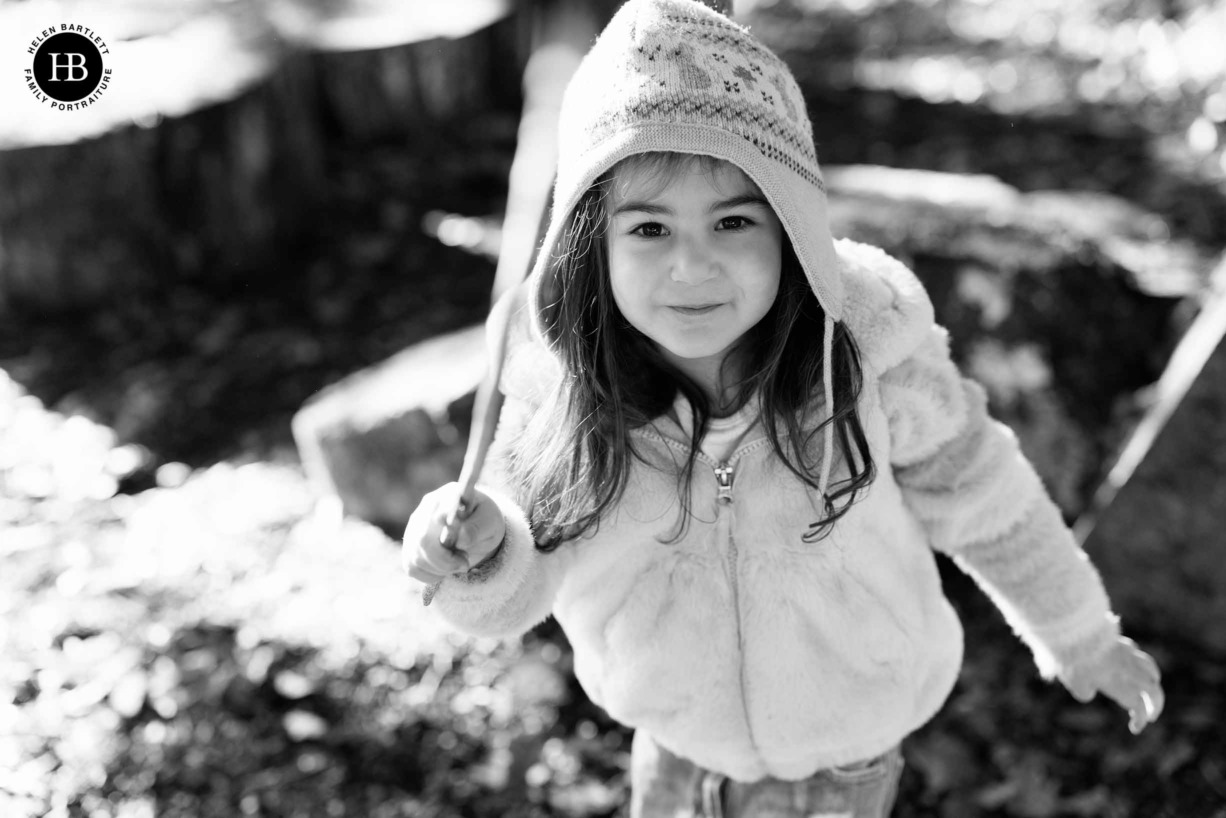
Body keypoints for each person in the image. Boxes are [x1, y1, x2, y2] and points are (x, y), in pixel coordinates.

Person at [401, 0, 1165, 815]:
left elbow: (991, 501)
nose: (691, 268)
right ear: (592, 244)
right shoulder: (566, 397)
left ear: (793, 226)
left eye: (733, 220)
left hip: (850, 765)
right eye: (649, 229)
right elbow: (517, 589)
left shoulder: (867, 356)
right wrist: (478, 554)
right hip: (677, 762)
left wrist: (1081, 635)